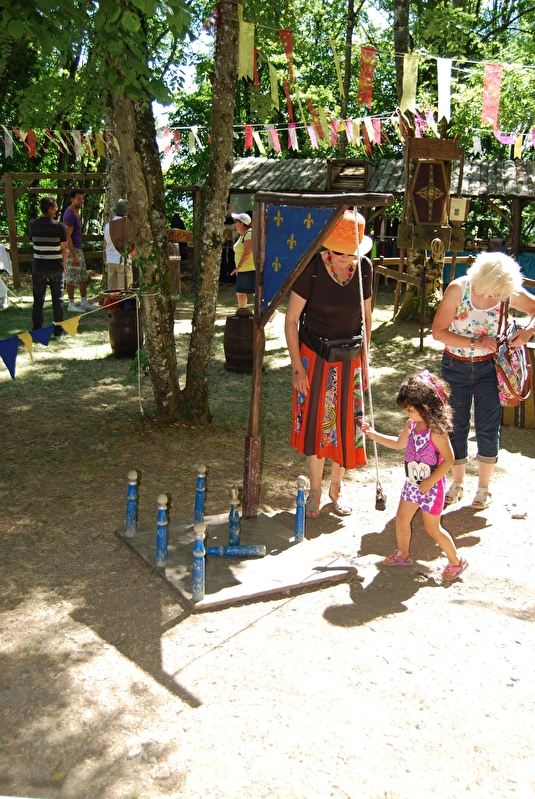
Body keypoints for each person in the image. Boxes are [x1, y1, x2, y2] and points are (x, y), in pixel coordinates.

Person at [284, 209, 373, 518]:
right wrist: (297, 366)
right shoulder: (311, 268)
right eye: (340, 253)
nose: (346, 259)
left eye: (352, 254)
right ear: (329, 248)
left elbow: (367, 318)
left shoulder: (364, 269)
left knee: (346, 424)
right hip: (314, 357)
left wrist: (366, 360)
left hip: (350, 359)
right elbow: (291, 320)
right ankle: (315, 491)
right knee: (315, 425)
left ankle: (336, 489)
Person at [432, 251, 535, 509]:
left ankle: (484, 488)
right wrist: (475, 343)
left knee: (488, 426)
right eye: (494, 292)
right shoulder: (458, 289)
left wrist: (527, 332)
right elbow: (438, 332)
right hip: (455, 366)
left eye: (501, 293)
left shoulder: (506, 289)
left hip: (491, 367)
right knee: (456, 425)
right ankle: (457, 483)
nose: (498, 297)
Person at [361, 371, 468, 581]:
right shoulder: (411, 425)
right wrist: (373, 434)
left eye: (411, 409)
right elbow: (398, 443)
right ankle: (403, 554)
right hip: (412, 485)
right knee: (401, 518)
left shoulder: (436, 431)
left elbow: (449, 460)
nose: (407, 413)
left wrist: (430, 481)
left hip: (431, 488)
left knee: (433, 528)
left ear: (426, 406)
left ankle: (457, 561)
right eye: (406, 409)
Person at [29, 196, 67, 339]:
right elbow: (63, 248)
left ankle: (37, 330)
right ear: (50, 209)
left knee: (38, 300)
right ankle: (58, 331)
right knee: (57, 300)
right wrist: (64, 265)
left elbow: (33, 241)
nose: (56, 209)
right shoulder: (59, 226)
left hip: (39, 267)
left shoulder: (33, 224)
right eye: (55, 207)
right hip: (56, 267)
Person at [62, 189, 99, 312]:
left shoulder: (76, 212)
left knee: (83, 275)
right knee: (72, 276)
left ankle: (84, 301)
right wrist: (73, 255)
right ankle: (71, 304)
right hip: (72, 249)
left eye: (82, 199)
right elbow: (67, 236)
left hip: (78, 248)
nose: (81, 201)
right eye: (79, 199)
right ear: (72, 199)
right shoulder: (70, 215)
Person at [103, 199, 135, 289]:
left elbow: (105, 243)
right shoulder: (127, 225)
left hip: (111, 260)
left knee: (112, 291)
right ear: (126, 213)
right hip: (123, 261)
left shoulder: (108, 225)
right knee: (125, 291)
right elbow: (131, 245)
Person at [230, 212, 255, 308]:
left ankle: (271, 311)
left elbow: (248, 252)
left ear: (242, 223)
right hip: (244, 269)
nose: (235, 224)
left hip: (249, 269)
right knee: (241, 292)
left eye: (236, 221)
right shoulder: (243, 235)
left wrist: (238, 267)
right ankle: (242, 312)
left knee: (252, 292)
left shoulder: (248, 234)